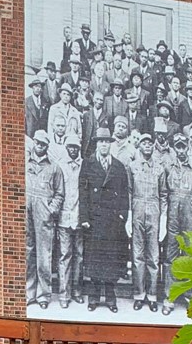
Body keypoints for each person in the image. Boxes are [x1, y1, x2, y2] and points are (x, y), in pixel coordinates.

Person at [79, 129, 130, 312]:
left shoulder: (118, 166)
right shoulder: (88, 164)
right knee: (95, 259)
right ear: (96, 144)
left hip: (112, 221)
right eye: (100, 141)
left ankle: (110, 296)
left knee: (111, 258)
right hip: (94, 220)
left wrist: (123, 215)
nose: (103, 145)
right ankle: (93, 296)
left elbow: (125, 194)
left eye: (106, 142)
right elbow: (83, 192)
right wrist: (84, 217)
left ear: (111, 144)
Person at [159, 139, 192, 315]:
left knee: (190, 259)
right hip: (172, 219)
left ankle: (190, 297)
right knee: (170, 258)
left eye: (183, 146)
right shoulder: (168, 168)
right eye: (177, 146)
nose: (181, 150)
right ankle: (169, 297)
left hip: (190, 221)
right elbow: (164, 194)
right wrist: (164, 219)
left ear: (188, 147)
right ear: (174, 148)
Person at [25, 132, 65, 307]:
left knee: (44, 255)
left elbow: (59, 194)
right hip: (26, 210)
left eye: (43, 144)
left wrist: (51, 210)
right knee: (28, 253)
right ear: (33, 142)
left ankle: (43, 295)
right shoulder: (24, 163)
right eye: (38, 143)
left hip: (44, 213)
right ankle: (29, 293)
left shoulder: (54, 168)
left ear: (47, 147)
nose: (40, 146)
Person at [127, 134, 164, 312]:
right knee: (137, 257)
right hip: (137, 212)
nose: (147, 146)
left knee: (154, 258)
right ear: (139, 146)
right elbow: (128, 191)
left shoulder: (160, 168)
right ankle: (139, 295)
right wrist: (128, 216)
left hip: (154, 215)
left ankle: (152, 296)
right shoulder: (132, 167)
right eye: (144, 143)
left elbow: (164, 195)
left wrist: (163, 219)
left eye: (150, 143)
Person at [54, 138, 84, 307]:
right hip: (65, 218)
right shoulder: (60, 166)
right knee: (65, 256)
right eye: (70, 147)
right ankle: (64, 295)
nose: (73, 150)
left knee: (79, 256)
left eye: (76, 147)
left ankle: (77, 291)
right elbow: (57, 191)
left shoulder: (84, 166)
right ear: (67, 148)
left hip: (79, 217)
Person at [24, 71, 49, 139]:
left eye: (39, 87)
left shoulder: (45, 102)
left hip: (42, 132)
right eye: (36, 86)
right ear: (32, 88)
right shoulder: (26, 101)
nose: (38, 89)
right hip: (30, 132)